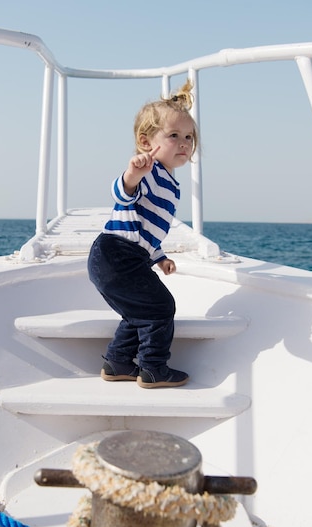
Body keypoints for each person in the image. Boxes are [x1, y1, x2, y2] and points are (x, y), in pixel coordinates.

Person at [88, 80, 198, 388]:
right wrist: (132, 174)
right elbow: (123, 194)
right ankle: (152, 368)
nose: (184, 143)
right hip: (116, 254)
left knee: (140, 312)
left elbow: (147, 231)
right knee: (161, 307)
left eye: (188, 137)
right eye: (174, 135)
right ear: (146, 142)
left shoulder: (171, 184)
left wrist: (160, 257)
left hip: (128, 256)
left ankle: (118, 363)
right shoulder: (149, 172)